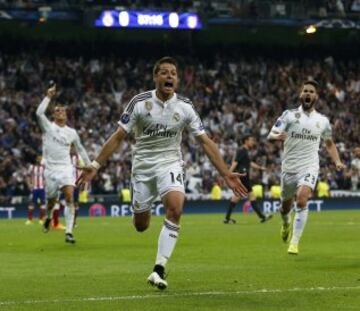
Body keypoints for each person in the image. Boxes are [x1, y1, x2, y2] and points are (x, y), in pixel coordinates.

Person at [77, 56, 247, 290]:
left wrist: (226, 172)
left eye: (173, 73)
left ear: (177, 79)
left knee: (176, 208)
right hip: (143, 167)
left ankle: (159, 268)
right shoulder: (139, 102)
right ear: (155, 77)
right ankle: (140, 211)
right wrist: (95, 165)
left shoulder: (185, 106)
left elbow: (206, 142)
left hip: (170, 163)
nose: (169, 76)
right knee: (141, 225)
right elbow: (118, 136)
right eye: (164, 72)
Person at [267, 80, 345, 255]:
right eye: (305, 91)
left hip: (309, 166)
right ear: (300, 95)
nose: (308, 93)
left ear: (316, 96)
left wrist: (337, 161)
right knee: (285, 207)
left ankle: (294, 242)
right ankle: (286, 222)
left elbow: (330, 143)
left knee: (302, 200)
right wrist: (279, 136)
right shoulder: (288, 115)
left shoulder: (323, 121)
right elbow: (270, 135)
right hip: (289, 168)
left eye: (311, 91)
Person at [36, 83, 91, 244]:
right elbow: (39, 113)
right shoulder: (48, 127)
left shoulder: (72, 132)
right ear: (53, 115)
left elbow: (80, 149)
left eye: (63, 110)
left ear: (66, 115)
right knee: (51, 201)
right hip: (50, 170)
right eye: (57, 110)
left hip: (66, 168)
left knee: (69, 197)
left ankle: (68, 232)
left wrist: (89, 165)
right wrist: (48, 96)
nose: (61, 112)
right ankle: (47, 217)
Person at [224, 135, 272, 224]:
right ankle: (262, 217)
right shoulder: (242, 150)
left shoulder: (245, 151)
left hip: (243, 177)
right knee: (249, 196)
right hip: (243, 177)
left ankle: (227, 218)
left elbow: (249, 163)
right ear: (245, 141)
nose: (253, 142)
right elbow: (235, 162)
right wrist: (228, 174)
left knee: (238, 197)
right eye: (251, 140)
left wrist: (260, 168)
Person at [25, 155, 46, 225]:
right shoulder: (32, 167)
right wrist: (29, 184)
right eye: (39, 159)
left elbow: (46, 177)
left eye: (41, 159)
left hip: (42, 188)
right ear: (36, 159)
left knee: (43, 203)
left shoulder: (44, 168)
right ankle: (29, 219)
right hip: (34, 188)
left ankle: (41, 219)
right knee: (32, 203)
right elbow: (27, 176)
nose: (40, 160)